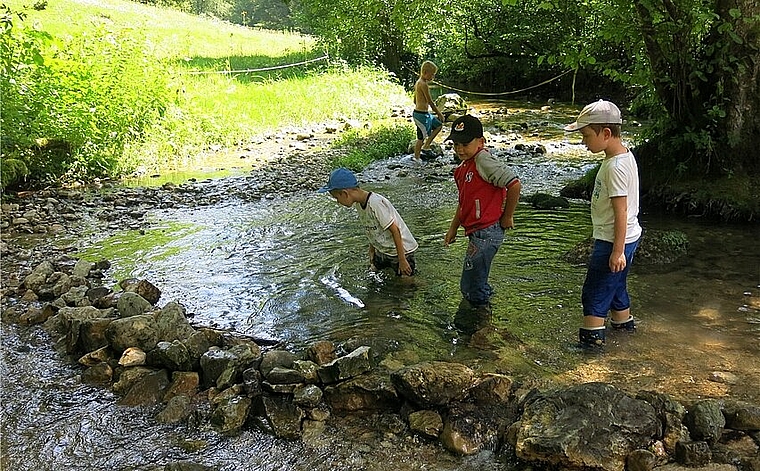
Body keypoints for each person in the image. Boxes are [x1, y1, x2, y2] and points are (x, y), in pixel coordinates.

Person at [564, 99, 642, 350]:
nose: (583, 142)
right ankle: (624, 336)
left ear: (606, 133)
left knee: (594, 294)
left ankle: (590, 349)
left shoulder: (616, 167)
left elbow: (621, 211)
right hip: (627, 237)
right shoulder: (623, 156)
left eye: (586, 135)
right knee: (617, 289)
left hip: (613, 240)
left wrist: (616, 251)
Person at [443, 115, 521, 330]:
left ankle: (478, 325)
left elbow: (514, 184)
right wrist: (452, 229)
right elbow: (463, 203)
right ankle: (483, 319)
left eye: (465, 144)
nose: (459, 149)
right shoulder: (464, 168)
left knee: (469, 285)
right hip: (478, 232)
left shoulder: (483, 161)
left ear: (481, 142)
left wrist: (507, 215)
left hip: (488, 231)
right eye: (455, 144)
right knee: (475, 281)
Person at [318, 168, 418, 276]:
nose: (338, 202)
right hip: (384, 250)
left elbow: (395, 230)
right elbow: (372, 228)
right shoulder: (359, 204)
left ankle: (419, 285)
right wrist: (372, 251)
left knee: (406, 283)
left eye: (337, 198)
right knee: (373, 272)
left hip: (402, 251)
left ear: (345, 193)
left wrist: (402, 260)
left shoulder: (375, 203)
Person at [413, 60, 445, 161]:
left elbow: (414, 100)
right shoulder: (423, 84)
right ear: (425, 73)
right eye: (432, 75)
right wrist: (439, 113)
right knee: (421, 137)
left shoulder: (418, 82)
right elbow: (430, 101)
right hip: (420, 115)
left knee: (438, 125)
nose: (433, 77)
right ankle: (416, 158)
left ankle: (426, 146)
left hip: (425, 114)